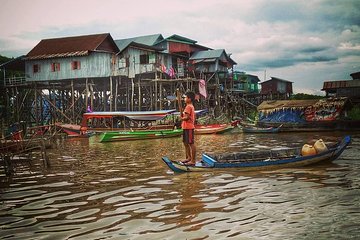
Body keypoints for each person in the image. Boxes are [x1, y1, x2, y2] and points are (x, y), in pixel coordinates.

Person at [180, 91, 196, 166]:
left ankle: (193, 160)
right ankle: (188, 158)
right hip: (186, 127)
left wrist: (181, 118)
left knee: (191, 143)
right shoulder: (189, 106)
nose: (184, 99)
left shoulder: (188, 106)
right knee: (185, 143)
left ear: (189, 99)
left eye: (185, 97)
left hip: (189, 127)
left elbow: (187, 118)